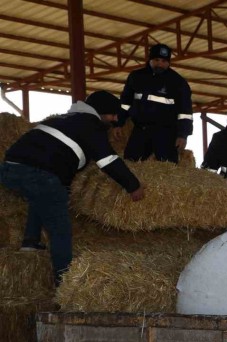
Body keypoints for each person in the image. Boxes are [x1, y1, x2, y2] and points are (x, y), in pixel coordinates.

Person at [0, 91, 146, 286]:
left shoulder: (66, 119)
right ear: (102, 112)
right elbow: (108, 160)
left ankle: (30, 242)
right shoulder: (91, 125)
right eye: (112, 115)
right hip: (38, 172)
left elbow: (58, 159)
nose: (115, 120)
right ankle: (65, 284)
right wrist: (133, 185)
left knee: (44, 194)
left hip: (9, 168)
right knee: (60, 228)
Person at [115, 43, 193, 163]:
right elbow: (125, 102)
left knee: (168, 167)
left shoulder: (178, 83)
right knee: (130, 163)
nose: (160, 64)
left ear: (169, 62)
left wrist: (183, 135)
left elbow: (185, 112)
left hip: (166, 133)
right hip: (141, 129)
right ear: (150, 60)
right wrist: (118, 123)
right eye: (156, 60)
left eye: (163, 61)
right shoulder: (136, 77)